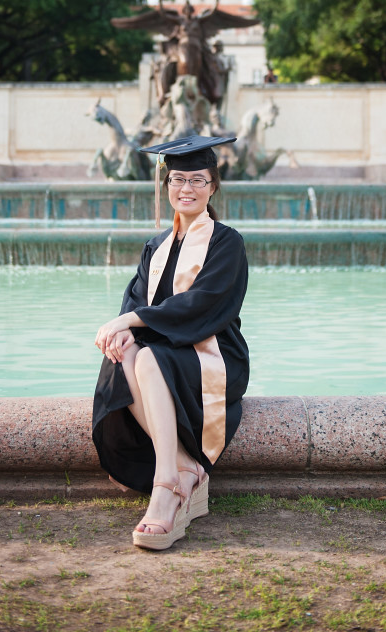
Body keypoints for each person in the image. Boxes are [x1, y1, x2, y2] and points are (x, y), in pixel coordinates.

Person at [92, 134, 249, 550]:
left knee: (149, 361)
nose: (187, 189)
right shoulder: (156, 245)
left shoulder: (226, 242)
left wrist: (129, 318)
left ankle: (167, 487)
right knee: (127, 353)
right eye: (178, 179)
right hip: (166, 354)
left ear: (213, 186)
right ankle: (183, 469)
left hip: (214, 355)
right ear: (167, 187)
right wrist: (125, 327)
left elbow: (204, 305)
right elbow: (137, 299)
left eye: (198, 180)